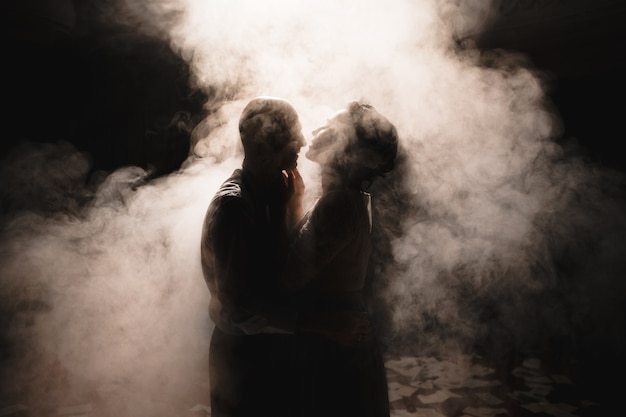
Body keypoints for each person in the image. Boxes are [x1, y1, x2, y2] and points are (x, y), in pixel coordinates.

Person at [200, 96, 369, 417]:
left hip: (278, 355)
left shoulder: (279, 190)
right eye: (294, 137)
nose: (303, 143)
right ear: (262, 146)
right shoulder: (234, 207)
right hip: (243, 361)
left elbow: (284, 267)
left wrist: (291, 210)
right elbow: (238, 310)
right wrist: (321, 325)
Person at [282, 100, 399, 417]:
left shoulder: (339, 205)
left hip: (332, 349)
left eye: (330, 128)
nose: (317, 130)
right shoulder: (346, 198)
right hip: (337, 344)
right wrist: (295, 204)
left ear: (350, 151)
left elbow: (288, 279)